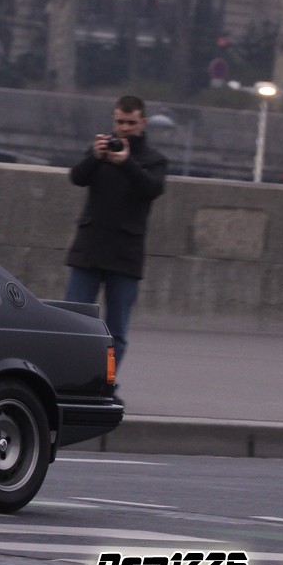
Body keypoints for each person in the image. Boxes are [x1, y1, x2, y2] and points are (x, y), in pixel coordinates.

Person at [65, 94, 168, 393]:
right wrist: (94, 157)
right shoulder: (101, 150)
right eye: (120, 122)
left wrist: (127, 163)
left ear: (143, 123)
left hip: (125, 256)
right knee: (73, 323)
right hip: (89, 251)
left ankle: (104, 383)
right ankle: (70, 380)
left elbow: (151, 188)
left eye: (130, 123)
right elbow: (77, 177)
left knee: (116, 331)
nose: (124, 129)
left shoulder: (154, 160)